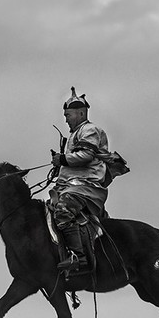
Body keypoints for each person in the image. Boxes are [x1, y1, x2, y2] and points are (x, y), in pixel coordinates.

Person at [49, 87, 128, 275]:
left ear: (80, 113)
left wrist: (62, 159)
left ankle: (79, 257)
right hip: (73, 187)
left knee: (62, 211)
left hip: (85, 188)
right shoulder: (77, 133)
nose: (66, 119)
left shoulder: (90, 130)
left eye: (68, 115)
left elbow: (85, 155)